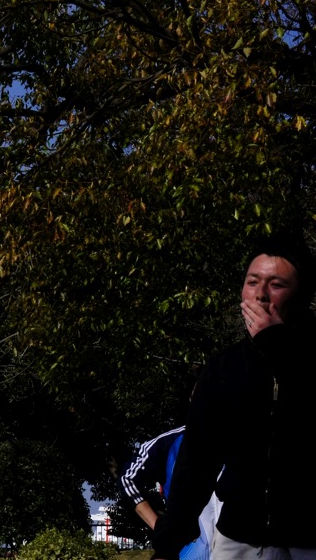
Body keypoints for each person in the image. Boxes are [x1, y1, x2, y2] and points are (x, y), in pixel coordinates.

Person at [153, 235, 316, 560]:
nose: (260, 294)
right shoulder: (224, 368)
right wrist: (167, 545)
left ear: (302, 297)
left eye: (276, 284)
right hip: (240, 538)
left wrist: (279, 347)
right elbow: (197, 461)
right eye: (252, 282)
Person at [120, 426, 218, 560]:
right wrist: (162, 531)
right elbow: (127, 479)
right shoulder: (170, 442)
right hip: (189, 550)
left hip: (237, 547)